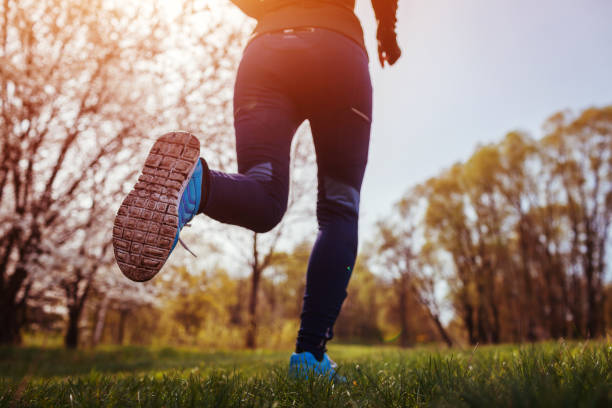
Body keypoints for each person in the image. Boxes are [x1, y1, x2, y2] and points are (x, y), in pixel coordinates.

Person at [112, 0, 401, 380]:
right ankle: (310, 356)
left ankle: (199, 185)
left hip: (267, 55)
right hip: (337, 52)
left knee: (264, 195)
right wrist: (386, 30)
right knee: (339, 208)